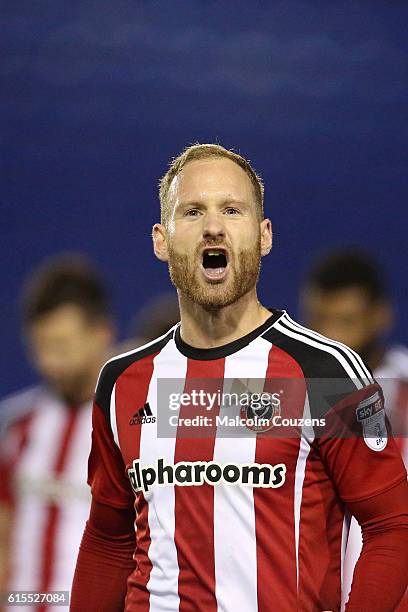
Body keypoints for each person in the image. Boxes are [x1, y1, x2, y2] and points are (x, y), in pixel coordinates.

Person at [71, 144, 408, 612]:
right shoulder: (123, 381)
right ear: (160, 240)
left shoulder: (327, 372)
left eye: (232, 209)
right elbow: (109, 539)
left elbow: (393, 526)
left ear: (264, 234)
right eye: (192, 211)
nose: (213, 226)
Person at [0, 255, 115, 611]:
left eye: (62, 346)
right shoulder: (18, 427)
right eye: (41, 347)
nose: (50, 361)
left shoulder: (132, 427)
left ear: (100, 334)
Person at [301, 249, 408, 610]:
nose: (330, 337)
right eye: (319, 321)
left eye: (345, 322)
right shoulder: (287, 396)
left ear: (380, 316)